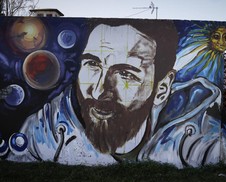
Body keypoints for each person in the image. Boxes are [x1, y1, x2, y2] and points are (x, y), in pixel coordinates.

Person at [6, 19, 178, 165]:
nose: (98, 91)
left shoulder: (188, 133)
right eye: (92, 64)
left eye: (126, 74)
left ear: (162, 88)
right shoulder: (40, 134)